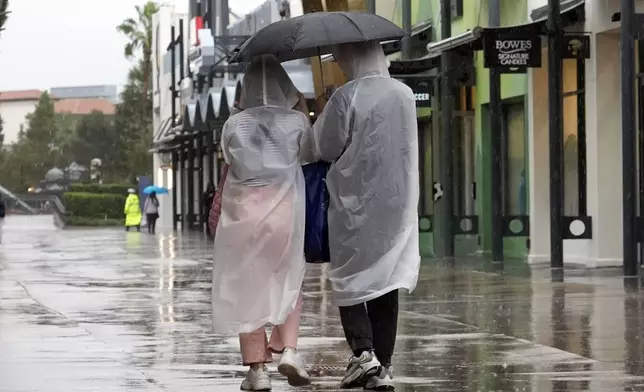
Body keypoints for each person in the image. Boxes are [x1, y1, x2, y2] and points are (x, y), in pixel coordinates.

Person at [300, 41, 421, 390]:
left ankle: (363, 353)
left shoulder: (347, 96)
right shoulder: (405, 94)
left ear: (353, 57)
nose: (338, 63)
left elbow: (320, 147)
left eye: (341, 58)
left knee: (349, 276)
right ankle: (384, 363)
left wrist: (324, 110)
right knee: (388, 277)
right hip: (397, 202)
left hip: (355, 201)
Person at [211, 54, 311, 391]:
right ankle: (290, 350)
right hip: (285, 212)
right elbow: (311, 153)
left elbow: (229, 158)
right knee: (290, 278)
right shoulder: (295, 122)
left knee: (247, 289)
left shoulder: (233, 126)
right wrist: (302, 105)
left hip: (243, 218)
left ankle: (256, 370)